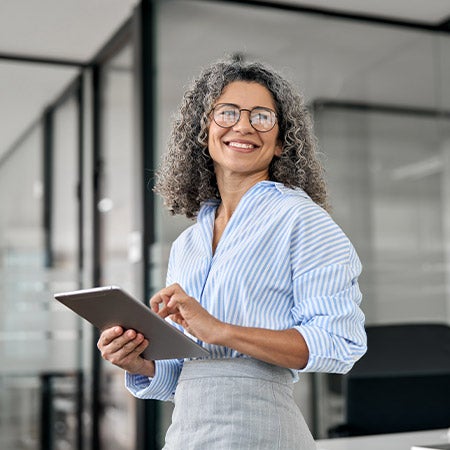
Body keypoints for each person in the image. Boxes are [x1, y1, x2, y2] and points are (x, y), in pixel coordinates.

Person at [97, 58, 367, 449]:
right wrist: (139, 361)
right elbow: (189, 375)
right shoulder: (188, 244)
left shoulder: (301, 220)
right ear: (203, 130)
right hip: (189, 435)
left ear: (281, 142)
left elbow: (340, 343)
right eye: (227, 113)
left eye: (261, 117)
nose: (243, 126)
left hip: (262, 431)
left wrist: (221, 330)